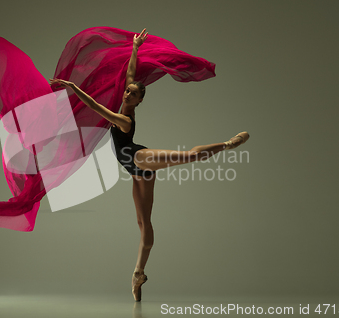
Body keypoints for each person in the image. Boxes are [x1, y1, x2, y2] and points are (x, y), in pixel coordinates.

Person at [50, 29, 250, 301]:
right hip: (134, 169)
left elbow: (97, 107)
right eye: (127, 91)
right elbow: (131, 73)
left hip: (138, 158)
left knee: (189, 156)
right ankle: (138, 274)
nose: (126, 94)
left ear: (139, 101)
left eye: (131, 95)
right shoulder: (126, 99)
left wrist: (74, 88)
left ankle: (228, 144)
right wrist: (135, 48)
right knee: (144, 223)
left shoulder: (125, 119)